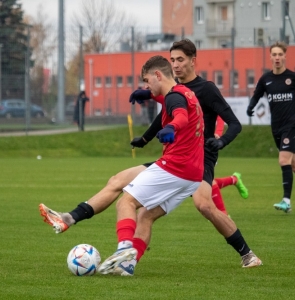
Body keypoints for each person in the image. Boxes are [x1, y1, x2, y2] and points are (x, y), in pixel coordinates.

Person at [39, 40, 261, 275]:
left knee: (153, 202)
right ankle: (76, 224)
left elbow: (182, 115)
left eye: (180, 60)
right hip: (184, 164)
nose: (175, 65)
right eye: (172, 60)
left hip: (192, 159)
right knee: (124, 187)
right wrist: (146, 132)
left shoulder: (197, 91)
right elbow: (168, 107)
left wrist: (215, 139)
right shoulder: (180, 92)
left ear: (192, 60)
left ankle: (245, 252)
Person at [97, 55, 205, 274]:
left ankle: (124, 249)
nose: (146, 85)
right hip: (193, 176)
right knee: (146, 215)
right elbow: (169, 99)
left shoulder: (175, 97)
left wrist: (171, 128)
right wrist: (148, 94)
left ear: (158, 75)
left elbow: (181, 116)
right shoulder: (185, 93)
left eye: (147, 81)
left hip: (175, 167)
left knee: (125, 202)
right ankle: (127, 266)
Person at [247, 41, 295, 213]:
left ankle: (286, 201)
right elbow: (256, 95)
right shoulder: (266, 79)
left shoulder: (293, 78)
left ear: (285, 56)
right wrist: (250, 106)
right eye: (274, 54)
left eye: (280, 54)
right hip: (276, 127)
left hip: (292, 125)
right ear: (270, 57)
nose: (277, 58)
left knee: (283, 160)